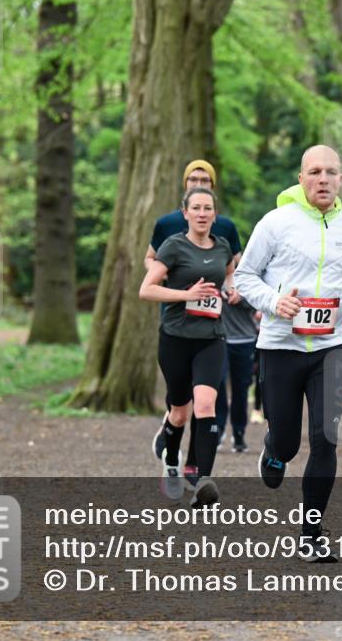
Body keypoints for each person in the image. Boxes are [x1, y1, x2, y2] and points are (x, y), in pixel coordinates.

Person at [234, 145, 342, 563]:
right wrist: (275, 301)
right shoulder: (275, 223)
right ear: (301, 179)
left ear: (341, 179)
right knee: (288, 444)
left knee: (325, 440)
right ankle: (274, 449)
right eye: (315, 172)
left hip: (329, 348)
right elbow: (244, 276)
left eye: (331, 172)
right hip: (280, 347)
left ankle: (311, 535)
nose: (323, 179)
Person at [146, 160, 242, 486]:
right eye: (196, 208)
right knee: (180, 412)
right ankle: (172, 459)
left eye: (208, 209)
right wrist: (186, 295)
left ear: (215, 214)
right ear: (185, 213)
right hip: (175, 337)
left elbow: (229, 274)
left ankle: (202, 480)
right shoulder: (173, 245)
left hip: (211, 336)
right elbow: (146, 289)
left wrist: (231, 291)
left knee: (206, 404)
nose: (202, 214)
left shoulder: (224, 245)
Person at [218, 294, 259, 453]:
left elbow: (260, 301)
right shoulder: (216, 277)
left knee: (241, 389)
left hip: (245, 339)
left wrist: (241, 298)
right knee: (217, 383)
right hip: (219, 338)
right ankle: (218, 428)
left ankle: (238, 432)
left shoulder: (248, 278)